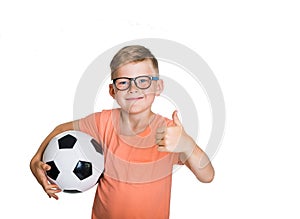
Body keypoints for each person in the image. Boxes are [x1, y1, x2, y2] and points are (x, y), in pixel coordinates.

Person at [30, 45, 214, 219]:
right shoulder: (102, 122)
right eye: (123, 82)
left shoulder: (169, 132)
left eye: (143, 80)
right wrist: (35, 160)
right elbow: (60, 130)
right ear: (113, 90)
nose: (133, 88)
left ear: (158, 87)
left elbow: (207, 175)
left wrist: (187, 144)